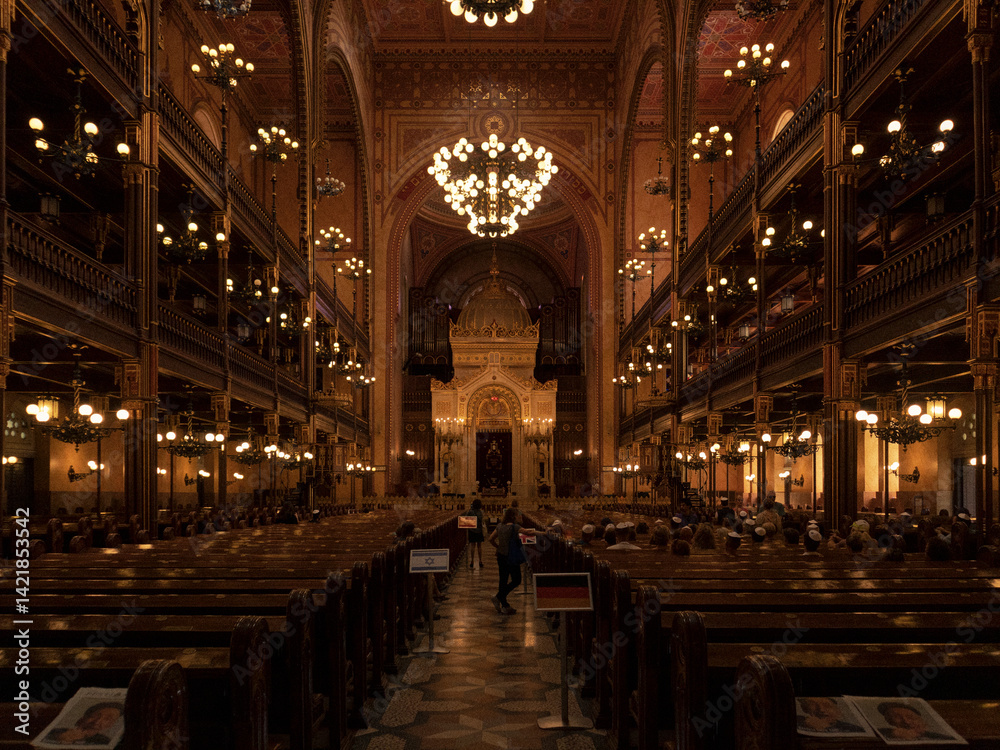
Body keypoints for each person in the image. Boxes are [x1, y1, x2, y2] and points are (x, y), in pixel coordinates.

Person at [488, 507, 541, 615]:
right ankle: (499, 598)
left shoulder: (499, 526)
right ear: (513, 516)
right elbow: (528, 532)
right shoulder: (515, 527)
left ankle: (504, 604)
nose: (519, 516)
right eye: (518, 515)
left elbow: (490, 539)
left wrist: (498, 547)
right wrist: (544, 533)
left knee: (503, 580)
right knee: (516, 579)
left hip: (501, 557)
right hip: (511, 557)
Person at [42, 702, 122, 745]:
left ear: (111, 724)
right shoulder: (55, 732)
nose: (97, 722)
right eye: (94, 716)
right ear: (83, 718)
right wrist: (57, 739)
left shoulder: (104, 741)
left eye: (107, 719)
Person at [877, 702, 955, 741]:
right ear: (889, 721)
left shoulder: (941, 737)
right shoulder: (886, 732)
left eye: (910, 717)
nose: (906, 721)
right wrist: (892, 733)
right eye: (897, 717)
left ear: (920, 720)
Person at [797, 697, 865, 734]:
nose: (821, 710)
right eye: (815, 706)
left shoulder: (854, 728)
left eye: (827, 706)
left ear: (837, 710)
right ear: (805, 710)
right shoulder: (798, 721)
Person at [467, 498, 486, 569]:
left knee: (472, 546)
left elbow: (466, 519)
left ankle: (472, 561)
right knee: (479, 546)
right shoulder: (481, 512)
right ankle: (480, 561)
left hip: (472, 530)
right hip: (479, 531)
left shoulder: (471, 512)